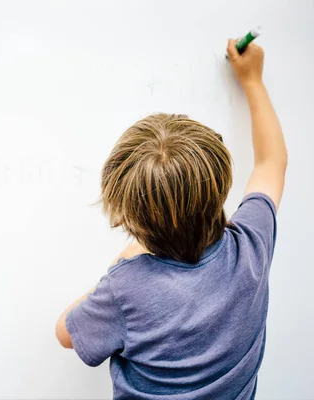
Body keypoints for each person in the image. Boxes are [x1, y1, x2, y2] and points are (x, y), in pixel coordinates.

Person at [55, 39, 287, 399]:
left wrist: (123, 261)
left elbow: (65, 333)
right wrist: (253, 81)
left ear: (133, 221)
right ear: (221, 185)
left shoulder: (125, 287)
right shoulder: (251, 247)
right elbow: (271, 163)